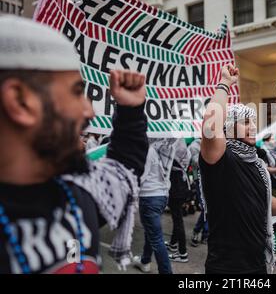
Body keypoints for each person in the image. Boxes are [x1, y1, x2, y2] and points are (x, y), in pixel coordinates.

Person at [0, 16, 149, 273]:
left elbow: (124, 168)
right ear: (20, 101)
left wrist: (131, 110)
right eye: (76, 91)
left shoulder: (77, 194)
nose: (89, 111)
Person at [199, 64, 276, 274]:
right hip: (227, 269)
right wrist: (225, 83)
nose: (252, 127)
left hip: (258, 265)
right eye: (244, 122)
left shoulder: (258, 164)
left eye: (253, 122)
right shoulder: (221, 158)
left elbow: (268, 206)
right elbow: (210, 127)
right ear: (228, 127)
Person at [132, 139, 177, 274]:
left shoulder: (148, 150)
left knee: (156, 238)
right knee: (151, 231)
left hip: (149, 197)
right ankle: (145, 261)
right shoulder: (165, 148)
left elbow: (141, 176)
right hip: (161, 196)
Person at [167, 139, 191, 263]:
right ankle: (173, 244)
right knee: (178, 218)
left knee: (178, 220)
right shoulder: (186, 151)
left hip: (176, 187)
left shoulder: (173, 151)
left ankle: (182, 253)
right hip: (182, 185)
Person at [188, 139, 208, 247]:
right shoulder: (194, 146)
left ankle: (204, 233)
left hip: (213, 180)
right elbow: (196, 163)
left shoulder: (216, 142)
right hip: (199, 179)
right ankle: (198, 232)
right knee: (206, 208)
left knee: (210, 208)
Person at [261, 133, 276, 198]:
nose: (275, 141)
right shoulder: (263, 153)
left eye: (275, 139)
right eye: (272, 139)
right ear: (266, 142)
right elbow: (265, 169)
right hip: (274, 187)